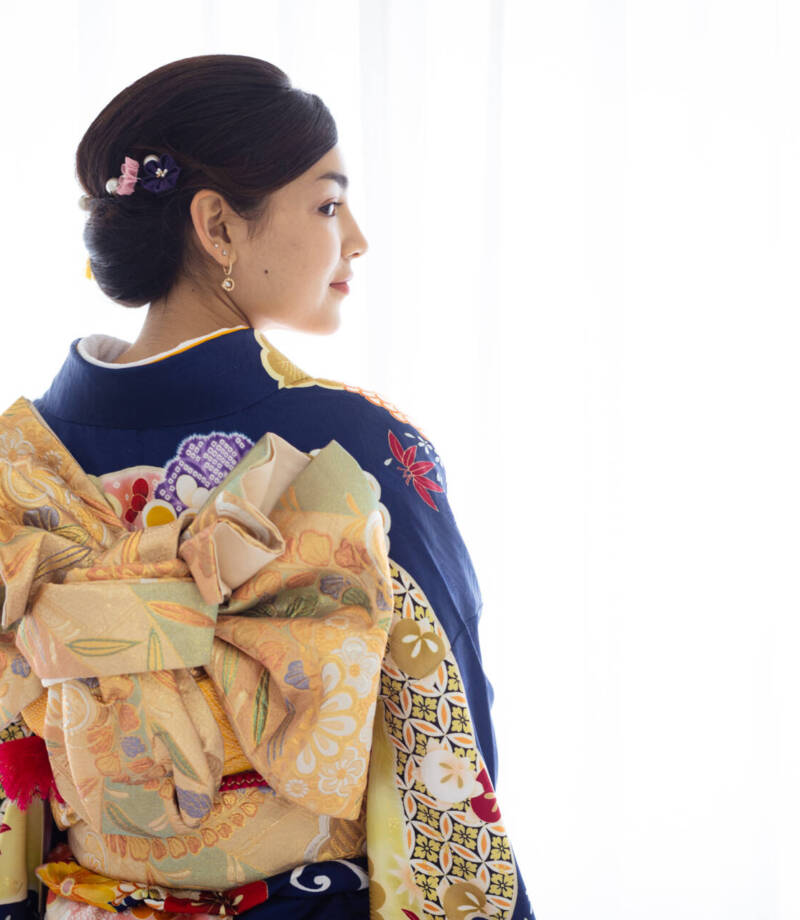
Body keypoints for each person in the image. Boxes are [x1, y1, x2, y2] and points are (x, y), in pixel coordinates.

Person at [0, 54, 535, 920]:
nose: (354, 237)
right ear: (216, 226)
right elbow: (442, 732)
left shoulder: (14, 466)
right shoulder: (356, 448)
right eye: (327, 204)